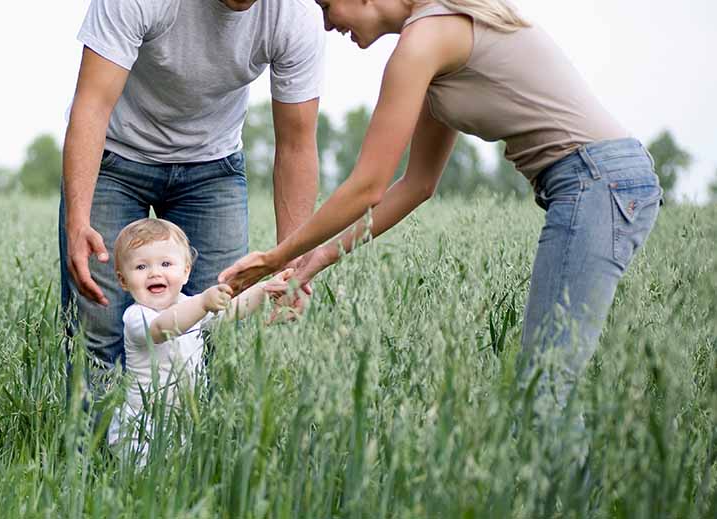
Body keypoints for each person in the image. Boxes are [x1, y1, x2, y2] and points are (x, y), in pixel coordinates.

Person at [219, 0, 663, 421]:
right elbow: (416, 185)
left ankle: (570, 502)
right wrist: (312, 263)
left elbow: (367, 186)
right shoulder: (431, 46)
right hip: (596, 182)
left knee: (544, 386)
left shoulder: (423, 40)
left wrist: (276, 258)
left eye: (325, 6)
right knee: (543, 383)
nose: (327, 24)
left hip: (595, 182)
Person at [60, 0, 325, 396]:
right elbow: (92, 105)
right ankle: (94, 456)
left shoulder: (294, 16)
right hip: (116, 157)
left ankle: (196, 454)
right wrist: (78, 219)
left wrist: (292, 262)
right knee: (99, 335)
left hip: (212, 169)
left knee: (217, 335)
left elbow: (297, 145)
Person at [107, 218, 288, 460]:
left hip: (183, 420)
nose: (154, 273)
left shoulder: (187, 305)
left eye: (166, 263)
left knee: (180, 475)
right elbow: (164, 328)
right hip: (142, 424)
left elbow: (231, 311)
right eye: (141, 267)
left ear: (185, 272)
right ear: (123, 280)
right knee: (147, 483)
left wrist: (265, 290)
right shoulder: (137, 317)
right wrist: (203, 303)